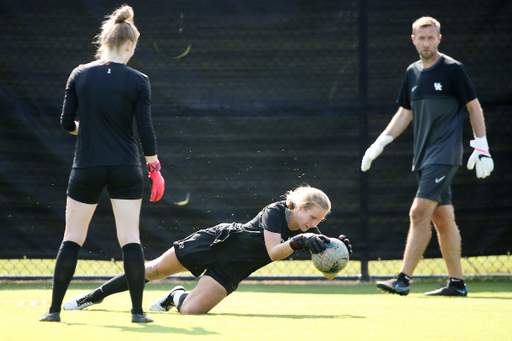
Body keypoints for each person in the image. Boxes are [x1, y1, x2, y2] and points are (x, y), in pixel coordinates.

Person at [39, 5, 165, 323]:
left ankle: (53, 312)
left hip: (87, 167)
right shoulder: (139, 80)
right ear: (130, 45)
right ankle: (137, 313)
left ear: (105, 41)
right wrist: (155, 169)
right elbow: (145, 129)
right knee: (130, 238)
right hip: (125, 167)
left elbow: (67, 122)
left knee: (72, 237)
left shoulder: (80, 74)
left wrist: (88, 128)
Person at [62, 185, 353, 315]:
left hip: (232, 269)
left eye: (319, 222)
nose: (315, 225)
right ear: (299, 208)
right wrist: (299, 242)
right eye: (313, 217)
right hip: (218, 243)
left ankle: (175, 295)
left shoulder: (308, 233)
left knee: (190, 311)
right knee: (152, 270)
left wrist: (337, 254)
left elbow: (327, 273)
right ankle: (93, 296)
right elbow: (274, 251)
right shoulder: (275, 212)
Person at [361, 16, 493, 297]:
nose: (426, 42)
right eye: (421, 38)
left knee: (418, 212)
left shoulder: (453, 69)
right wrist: (380, 142)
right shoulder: (412, 72)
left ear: (439, 39)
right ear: (413, 40)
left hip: (444, 155)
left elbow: (474, 107)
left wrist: (481, 146)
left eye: (431, 37)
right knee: (442, 219)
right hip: (422, 157)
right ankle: (456, 284)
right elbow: (404, 113)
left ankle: (403, 279)